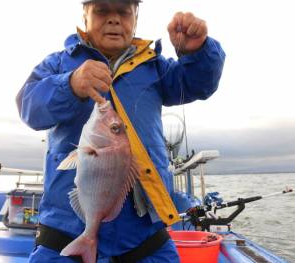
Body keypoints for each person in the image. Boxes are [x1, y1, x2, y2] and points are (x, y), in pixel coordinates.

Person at [16, 0, 225, 262]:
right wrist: (69, 84)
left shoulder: (156, 66)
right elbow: (28, 107)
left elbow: (199, 84)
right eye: (102, 10)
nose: (114, 19)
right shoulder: (59, 63)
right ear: (85, 15)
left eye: (124, 12)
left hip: (146, 240)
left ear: (135, 16)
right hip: (62, 238)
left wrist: (198, 52)